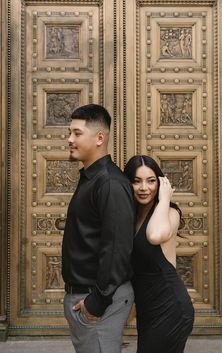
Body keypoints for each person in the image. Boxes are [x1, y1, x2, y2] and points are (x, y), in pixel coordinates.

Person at [62, 104, 135, 353]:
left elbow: (116, 249)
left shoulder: (110, 183)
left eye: (77, 133)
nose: (70, 140)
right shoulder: (93, 178)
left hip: (98, 301)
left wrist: (96, 303)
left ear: (99, 138)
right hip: (87, 298)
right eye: (70, 133)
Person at [124, 155, 194, 353]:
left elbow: (155, 235)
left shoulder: (170, 213)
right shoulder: (132, 214)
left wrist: (164, 199)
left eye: (151, 181)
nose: (144, 188)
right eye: (136, 181)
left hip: (171, 307)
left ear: (161, 183)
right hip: (148, 309)